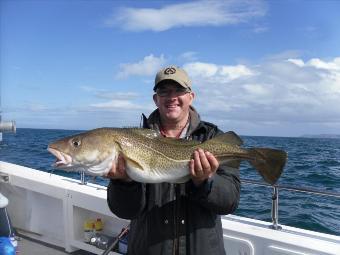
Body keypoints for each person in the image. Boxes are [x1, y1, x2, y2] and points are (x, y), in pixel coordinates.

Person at [106, 65, 241, 255]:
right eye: (164, 91)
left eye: (179, 90)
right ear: (156, 99)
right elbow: (125, 211)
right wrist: (123, 182)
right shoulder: (134, 142)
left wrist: (206, 182)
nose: (172, 97)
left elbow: (230, 202)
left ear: (191, 96)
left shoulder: (212, 138)